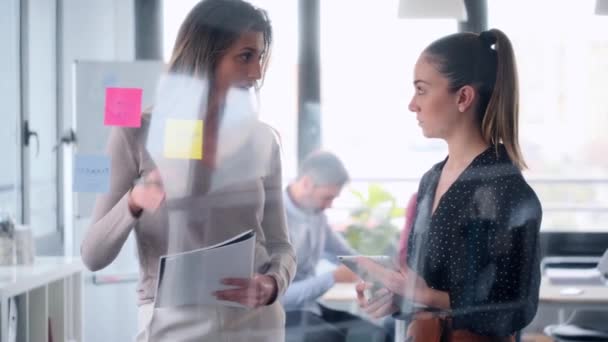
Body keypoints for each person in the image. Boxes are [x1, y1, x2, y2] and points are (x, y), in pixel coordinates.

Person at [80, 0, 296, 341]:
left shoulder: (262, 139)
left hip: (256, 322)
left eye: (260, 57)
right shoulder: (136, 132)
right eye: (244, 56)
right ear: (206, 54)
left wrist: (272, 283)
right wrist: (133, 202)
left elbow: (281, 245)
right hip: (173, 324)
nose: (256, 73)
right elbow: (92, 255)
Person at [355, 29, 543, 341]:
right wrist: (394, 297)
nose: (412, 104)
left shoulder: (507, 191)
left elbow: (517, 308)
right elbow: (423, 285)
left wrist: (428, 297)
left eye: (422, 90)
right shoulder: (430, 180)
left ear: (464, 97)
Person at [282, 151, 389, 342]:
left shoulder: (317, 216)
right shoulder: (274, 219)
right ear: (306, 183)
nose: (330, 205)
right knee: (330, 338)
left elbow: (346, 255)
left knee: (377, 336)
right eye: (327, 197)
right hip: (283, 313)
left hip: (310, 309)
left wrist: (380, 272)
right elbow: (280, 295)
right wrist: (333, 277)